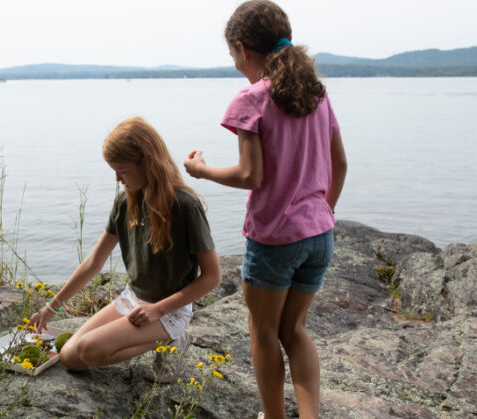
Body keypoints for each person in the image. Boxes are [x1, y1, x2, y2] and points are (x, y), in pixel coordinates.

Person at [183, 1, 347, 417]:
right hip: (319, 236)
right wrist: (320, 215)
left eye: (233, 56)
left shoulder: (251, 100)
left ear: (242, 49)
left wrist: (201, 171)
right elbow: (340, 165)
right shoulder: (316, 94)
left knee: (263, 332)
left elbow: (250, 176)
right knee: (294, 330)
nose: (236, 64)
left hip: (275, 239)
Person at [31, 117, 221, 377]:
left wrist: (158, 310)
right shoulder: (125, 202)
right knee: (70, 356)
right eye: (114, 170)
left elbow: (212, 277)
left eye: (123, 170)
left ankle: (172, 339)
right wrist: (50, 308)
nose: (118, 178)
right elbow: (94, 263)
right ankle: (156, 338)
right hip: (133, 298)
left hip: (168, 309)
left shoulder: (185, 205)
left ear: (147, 161)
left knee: (87, 349)